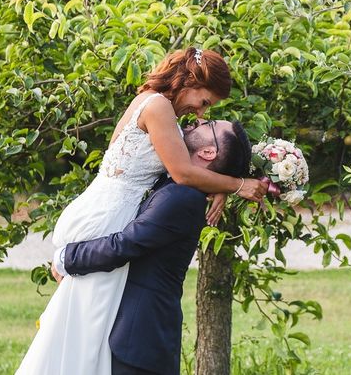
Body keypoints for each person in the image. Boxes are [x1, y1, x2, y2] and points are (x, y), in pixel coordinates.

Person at [16, 48, 267, 375]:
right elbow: (181, 173)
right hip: (109, 214)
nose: (201, 113)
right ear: (192, 79)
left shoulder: (157, 105)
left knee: (85, 322)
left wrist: (218, 186)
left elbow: (175, 174)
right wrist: (236, 184)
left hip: (108, 209)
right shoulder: (159, 107)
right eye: (206, 102)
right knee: (88, 327)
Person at [51, 118, 252, 375]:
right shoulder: (178, 184)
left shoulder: (183, 198)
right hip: (132, 333)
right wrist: (227, 185)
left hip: (138, 338)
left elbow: (126, 244)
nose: (197, 119)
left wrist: (66, 258)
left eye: (208, 123)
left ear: (208, 152)